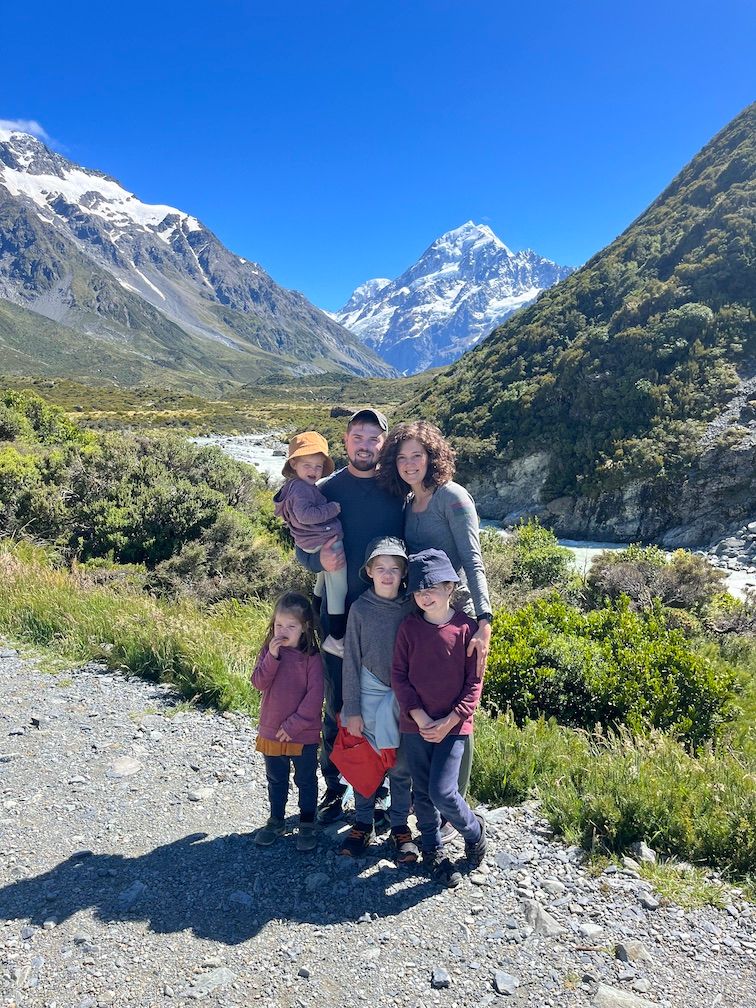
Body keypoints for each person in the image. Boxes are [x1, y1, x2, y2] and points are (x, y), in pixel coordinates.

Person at [377, 420, 493, 834]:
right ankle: (420, 795)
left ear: (432, 457)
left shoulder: (453, 497)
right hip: (418, 615)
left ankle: (453, 807)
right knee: (420, 695)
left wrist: (485, 620)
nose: (410, 464)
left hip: (453, 615)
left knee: (457, 706)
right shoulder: (409, 502)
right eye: (402, 457)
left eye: (417, 455)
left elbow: (473, 559)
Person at [295, 409, 404, 824]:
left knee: (384, 705)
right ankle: (334, 786)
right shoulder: (325, 489)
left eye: (372, 438)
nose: (364, 444)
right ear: (345, 441)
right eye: (357, 436)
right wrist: (314, 558)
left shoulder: (398, 489)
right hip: (336, 616)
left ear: (383, 443)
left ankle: (376, 794)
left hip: (386, 617)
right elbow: (301, 547)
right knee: (338, 703)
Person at [391, 549, 487, 888]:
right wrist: (418, 717)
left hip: (454, 728)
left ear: (450, 587)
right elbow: (399, 676)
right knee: (422, 794)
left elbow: (474, 684)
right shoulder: (408, 629)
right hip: (415, 726)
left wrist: (448, 721)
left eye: (432, 587)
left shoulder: (468, 630)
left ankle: (474, 832)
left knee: (443, 791)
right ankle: (432, 850)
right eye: (418, 590)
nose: (424, 595)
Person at [338, 536, 418, 863]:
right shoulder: (359, 609)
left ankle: (400, 825)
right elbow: (351, 662)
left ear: (403, 574)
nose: (387, 574)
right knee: (365, 765)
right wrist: (352, 709)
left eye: (394, 569)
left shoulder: (412, 607)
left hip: (403, 701)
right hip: (368, 701)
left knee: (400, 767)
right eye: (381, 567)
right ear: (369, 571)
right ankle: (363, 822)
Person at [251, 592, 324, 852]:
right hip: (271, 731)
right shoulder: (269, 652)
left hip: (302, 734)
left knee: (305, 779)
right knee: (276, 778)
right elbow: (259, 683)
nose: (283, 631)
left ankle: (306, 822)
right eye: (279, 625)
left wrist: (293, 725)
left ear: (304, 628)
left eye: (291, 626)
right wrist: (272, 657)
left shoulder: (312, 658)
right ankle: (276, 820)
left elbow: (315, 698)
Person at [273, 431, 347, 657]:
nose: (313, 471)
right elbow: (305, 515)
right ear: (293, 463)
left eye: (318, 466)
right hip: (322, 541)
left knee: (323, 577)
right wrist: (332, 509)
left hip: (312, 542)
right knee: (338, 588)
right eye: (307, 464)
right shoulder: (302, 489)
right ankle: (336, 638)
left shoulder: (293, 486)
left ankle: (316, 602)